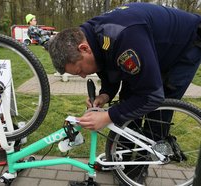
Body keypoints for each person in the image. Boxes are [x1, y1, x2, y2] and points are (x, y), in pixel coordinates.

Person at [48, 2, 201, 184]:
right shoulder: (90, 36)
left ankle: (139, 168)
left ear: (83, 49)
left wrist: (107, 117)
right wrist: (105, 95)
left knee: (157, 110)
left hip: (184, 47)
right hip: (145, 45)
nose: (82, 76)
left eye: (79, 69)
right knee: (129, 100)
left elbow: (152, 96)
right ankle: (122, 159)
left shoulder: (123, 36)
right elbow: (108, 67)